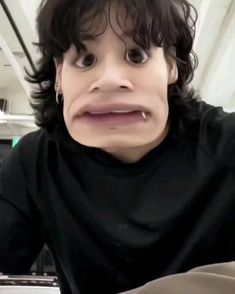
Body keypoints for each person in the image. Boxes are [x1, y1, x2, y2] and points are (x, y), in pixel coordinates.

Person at [0, 0, 234, 293]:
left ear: (172, 65)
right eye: (86, 60)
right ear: (59, 74)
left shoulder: (227, 144)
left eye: (136, 56)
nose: (109, 81)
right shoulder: (35, 161)